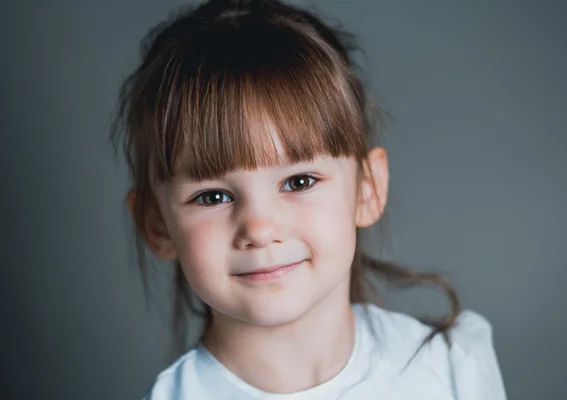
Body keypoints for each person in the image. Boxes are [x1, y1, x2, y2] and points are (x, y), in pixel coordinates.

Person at [110, 0, 507, 398]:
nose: (260, 229)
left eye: (299, 182)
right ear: (156, 223)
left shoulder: (452, 368)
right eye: (213, 196)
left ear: (366, 188)